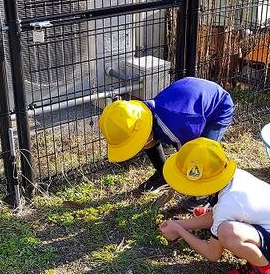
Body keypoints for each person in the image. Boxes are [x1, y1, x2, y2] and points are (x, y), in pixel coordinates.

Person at [157, 138, 270, 274]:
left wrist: (179, 231)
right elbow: (220, 213)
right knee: (221, 221)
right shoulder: (231, 178)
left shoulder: (227, 205)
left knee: (227, 231)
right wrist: (179, 224)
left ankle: (263, 268)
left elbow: (212, 254)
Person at [99, 77, 234, 192]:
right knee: (148, 140)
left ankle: (206, 192)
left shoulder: (179, 127)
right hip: (190, 102)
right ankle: (163, 175)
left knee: (202, 154)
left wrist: (184, 180)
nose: (137, 146)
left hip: (218, 107)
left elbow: (190, 153)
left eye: (137, 141)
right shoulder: (142, 114)